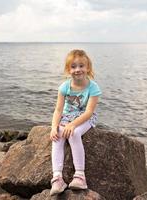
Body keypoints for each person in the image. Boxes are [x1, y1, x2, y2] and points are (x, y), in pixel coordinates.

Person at [50, 49, 102, 196]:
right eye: (73, 66)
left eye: (81, 66)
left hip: (85, 117)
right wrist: (54, 127)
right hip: (68, 116)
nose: (77, 70)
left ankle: (80, 175)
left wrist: (72, 125)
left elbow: (89, 112)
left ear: (88, 68)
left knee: (74, 133)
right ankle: (57, 178)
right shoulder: (64, 87)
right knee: (58, 136)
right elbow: (58, 110)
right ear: (68, 69)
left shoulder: (93, 88)